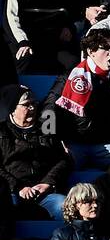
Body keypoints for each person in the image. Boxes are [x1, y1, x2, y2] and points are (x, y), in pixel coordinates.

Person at [44, 30, 110, 171]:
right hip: (75, 144)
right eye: (105, 48)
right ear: (91, 51)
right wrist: (52, 141)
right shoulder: (69, 77)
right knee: (55, 166)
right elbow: (48, 110)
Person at [0, 83, 69, 220]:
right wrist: (19, 187)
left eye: (34, 103)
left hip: (44, 192)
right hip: (12, 193)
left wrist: (47, 183)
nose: (32, 108)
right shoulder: (2, 132)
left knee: (65, 206)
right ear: (13, 108)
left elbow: (63, 160)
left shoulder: (46, 128)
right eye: (26, 104)